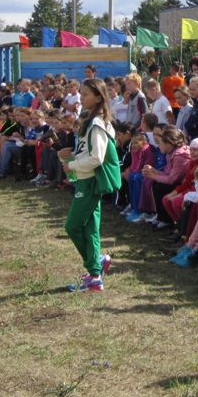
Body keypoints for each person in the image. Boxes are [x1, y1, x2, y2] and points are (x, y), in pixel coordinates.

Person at [60, 78, 118, 292]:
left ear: (98, 97)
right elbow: (88, 152)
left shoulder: (97, 123)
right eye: (81, 94)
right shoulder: (91, 120)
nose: (81, 98)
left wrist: (73, 165)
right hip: (86, 180)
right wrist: (69, 157)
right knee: (90, 228)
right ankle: (96, 269)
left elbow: (97, 158)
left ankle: (94, 271)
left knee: (73, 226)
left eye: (85, 94)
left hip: (90, 181)